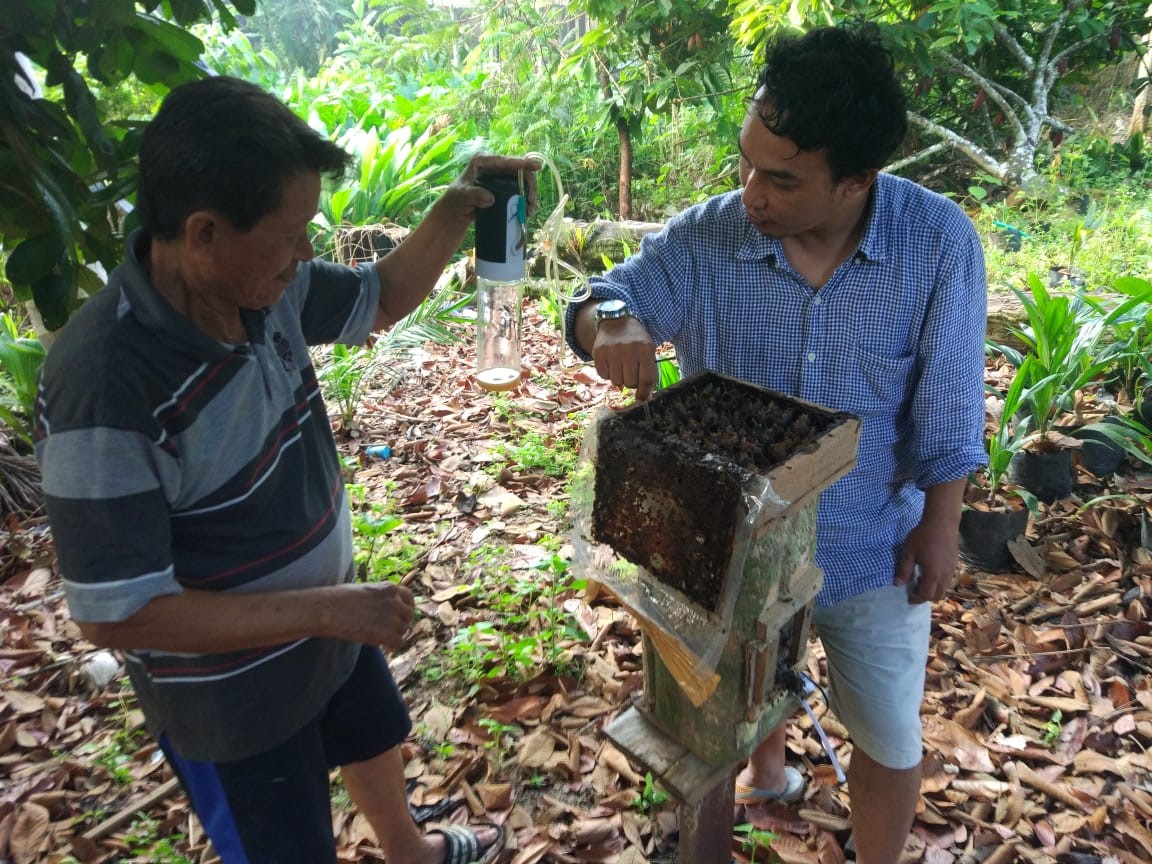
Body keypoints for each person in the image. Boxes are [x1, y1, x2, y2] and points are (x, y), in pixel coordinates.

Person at [35, 75, 539, 864]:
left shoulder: (265, 284)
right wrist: (326, 610)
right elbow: (115, 615)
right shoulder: (106, 385)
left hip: (329, 629)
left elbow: (378, 298)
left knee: (368, 735)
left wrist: (456, 205)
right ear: (203, 233)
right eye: (293, 230)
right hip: (235, 702)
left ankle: (410, 851)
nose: (308, 250)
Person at [566, 23, 986, 864]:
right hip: (722, 553)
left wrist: (941, 525)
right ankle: (739, 809)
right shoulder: (710, 236)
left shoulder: (937, 244)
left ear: (857, 182)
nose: (752, 192)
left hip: (871, 544)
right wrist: (611, 325)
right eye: (747, 162)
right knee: (709, 726)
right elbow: (603, 297)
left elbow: (948, 405)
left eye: (783, 179)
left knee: (888, 734)